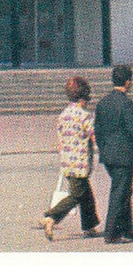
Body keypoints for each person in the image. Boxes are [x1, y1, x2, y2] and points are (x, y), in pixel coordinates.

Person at [94, 64, 133, 244]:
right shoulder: (127, 104)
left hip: (108, 155)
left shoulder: (103, 102)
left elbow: (97, 130)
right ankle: (112, 232)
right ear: (128, 82)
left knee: (124, 190)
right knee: (120, 192)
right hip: (123, 155)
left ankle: (127, 229)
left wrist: (103, 148)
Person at [40, 76, 100, 241]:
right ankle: (51, 216)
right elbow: (94, 136)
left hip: (67, 162)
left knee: (86, 194)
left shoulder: (64, 114)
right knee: (77, 195)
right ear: (84, 97)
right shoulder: (85, 116)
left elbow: (60, 139)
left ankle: (89, 226)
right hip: (80, 164)